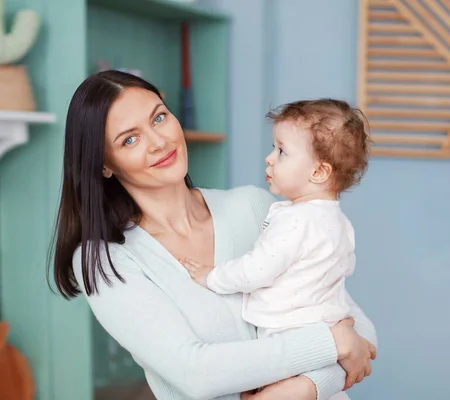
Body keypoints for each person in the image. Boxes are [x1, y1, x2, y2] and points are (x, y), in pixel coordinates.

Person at [51, 70, 377, 400]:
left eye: (159, 117)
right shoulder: (107, 260)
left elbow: (359, 331)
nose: (160, 142)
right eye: (129, 139)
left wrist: (306, 387)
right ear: (104, 164)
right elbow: (196, 373)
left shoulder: (256, 206)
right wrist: (330, 343)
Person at [181, 99, 370, 345]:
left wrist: (211, 276)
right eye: (273, 148)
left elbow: (255, 271)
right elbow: (343, 268)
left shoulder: (296, 220)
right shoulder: (340, 223)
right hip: (325, 328)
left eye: (282, 151)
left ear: (318, 172)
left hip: (288, 332)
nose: (269, 158)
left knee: (276, 384)